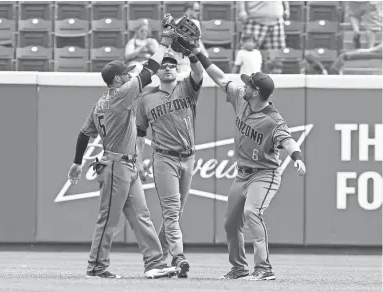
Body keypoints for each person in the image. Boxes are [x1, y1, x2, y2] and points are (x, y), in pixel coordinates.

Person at [67, 15, 178, 279]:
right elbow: (150, 70)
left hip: (126, 165)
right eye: (125, 75)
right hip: (116, 165)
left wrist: (76, 162)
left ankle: (154, 264)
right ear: (117, 80)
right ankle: (97, 267)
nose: (129, 77)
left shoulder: (101, 102)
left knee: (142, 216)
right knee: (108, 220)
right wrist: (165, 42)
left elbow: (84, 135)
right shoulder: (120, 95)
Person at [191, 44, 306, 280]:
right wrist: (197, 53)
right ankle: (239, 268)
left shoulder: (273, 120)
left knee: (253, 212)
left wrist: (297, 158)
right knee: (231, 224)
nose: (243, 85)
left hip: (265, 174)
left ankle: (264, 268)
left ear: (255, 92)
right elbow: (220, 77)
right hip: (242, 174)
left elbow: (289, 141)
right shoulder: (242, 99)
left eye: (248, 84)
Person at [136, 51, 203, 278]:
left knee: (175, 212)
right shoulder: (147, 98)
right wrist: (138, 158)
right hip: (164, 158)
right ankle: (178, 256)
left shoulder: (186, 88)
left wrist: (193, 54)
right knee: (172, 211)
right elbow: (139, 132)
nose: (167, 68)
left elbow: (198, 71)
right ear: (157, 71)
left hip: (188, 157)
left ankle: (159, 259)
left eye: (172, 65)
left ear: (177, 70)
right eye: (163, 65)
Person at [174, 1, 208, 75]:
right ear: (189, 10)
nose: (198, 13)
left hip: (194, 62)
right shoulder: (178, 23)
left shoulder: (196, 22)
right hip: (183, 64)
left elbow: (198, 42)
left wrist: (205, 55)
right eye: (196, 10)